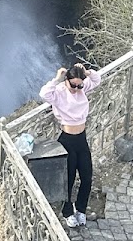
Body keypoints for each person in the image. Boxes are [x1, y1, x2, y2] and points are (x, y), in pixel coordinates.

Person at [38, 61, 102, 229]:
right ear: (67, 81)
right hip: (67, 140)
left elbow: (97, 80)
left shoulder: (82, 89)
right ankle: (67, 212)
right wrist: (57, 79)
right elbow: (44, 93)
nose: (76, 89)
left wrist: (87, 73)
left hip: (81, 138)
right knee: (69, 180)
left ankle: (81, 209)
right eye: (73, 85)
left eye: (79, 86)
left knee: (87, 177)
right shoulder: (58, 92)